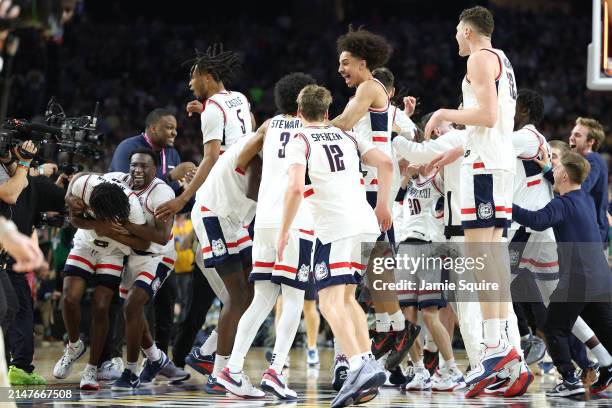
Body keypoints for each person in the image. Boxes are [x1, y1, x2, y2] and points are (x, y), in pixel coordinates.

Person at [424, 6, 520, 396]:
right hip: (497, 165)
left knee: (480, 258)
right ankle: (504, 349)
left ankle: (496, 346)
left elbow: (487, 113)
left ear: (466, 30)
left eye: (456, 32)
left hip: (484, 169)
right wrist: (453, 151)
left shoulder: (480, 58)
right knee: (491, 257)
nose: (454, 39)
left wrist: (443, 112)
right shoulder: (503, 60)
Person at [279, 84, 392, 408]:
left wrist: (284, 232)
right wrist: (382, 205)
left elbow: (296, 188)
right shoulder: (349, 136)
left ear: (299, 113)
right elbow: (385, 164)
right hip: (366, 224)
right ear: (328, 113)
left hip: (336, 227)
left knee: (328, 302)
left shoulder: (299, 140)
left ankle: (356, 365)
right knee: (345, 298)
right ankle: (367, 360)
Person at [216, 72, 316, 400]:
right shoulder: (312, 129)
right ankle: (275, 371)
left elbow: (241, 162)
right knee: (294, 299)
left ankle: (231, 370)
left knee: (262, 299)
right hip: (295, 219)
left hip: (264, 221)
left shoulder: (269, 126)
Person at [332, 27, 419, 377]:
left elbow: (344, 123)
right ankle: (389, 327)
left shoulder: (369, 87)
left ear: (363, 62)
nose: (341, 69)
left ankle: (396, 328)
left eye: (345, 62)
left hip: (375, 186)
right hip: (370, 183)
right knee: (373, 264)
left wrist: (309, 124)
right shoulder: (367, 90)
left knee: (376, 263)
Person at [512, 152, 612, 397]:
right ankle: (609, 367)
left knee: (553, 326)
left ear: (565, 175)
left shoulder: (561, 204)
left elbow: (536, 220)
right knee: (607, 331)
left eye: (556, 171)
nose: (553, 173)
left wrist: (506, 206)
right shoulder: (585, 198)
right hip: (601, 277)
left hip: (578, 280)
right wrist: (548, 168)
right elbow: (562, 179)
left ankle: (568, 380)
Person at [108, 108, 195, 368]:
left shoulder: (173, 153)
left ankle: (159, 359)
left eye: (176, 128)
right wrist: (171, 177)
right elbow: (129, 187)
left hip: (158, 241)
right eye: (169, 127)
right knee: (124, 301)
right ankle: (112, 357)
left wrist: (186, 192)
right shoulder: (128, 148)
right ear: (153, 128)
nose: (174, 133)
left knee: (166, 300)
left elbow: (171, 201)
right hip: (127, 237)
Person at [54, 173, 149, 390]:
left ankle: (91, 369)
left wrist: (113, 234)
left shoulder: (132, 205)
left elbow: (143, 243)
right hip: (85, 244)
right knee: (69, 298)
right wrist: (97, 225)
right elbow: (75, 219)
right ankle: (74, 346)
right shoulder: (85, 185)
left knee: (101, 305)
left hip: (114, 252)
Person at [188, 131, 259, 394]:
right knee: (237, 295)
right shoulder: (262, 143)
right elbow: (255, 190)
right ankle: (219, 373)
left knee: (253, 293)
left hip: (236, 220)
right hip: (214, 214)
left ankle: (206, 352)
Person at [0, 142, 67, 386]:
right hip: (8, 261)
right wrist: (28, 164)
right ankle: (17, 366)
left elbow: (29, 193)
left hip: (10, 258)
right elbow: (10, 193)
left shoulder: (21, 176)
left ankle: (16, 367)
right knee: (11, 308)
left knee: (11, 308)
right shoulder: (16, 177)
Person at [568, 117, 609, 246]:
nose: (571, 137)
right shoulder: (582, 161)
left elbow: (581, 188)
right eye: (572, 134)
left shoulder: (593, 159)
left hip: (592, 235)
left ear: (590, 141)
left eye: (577, 135)